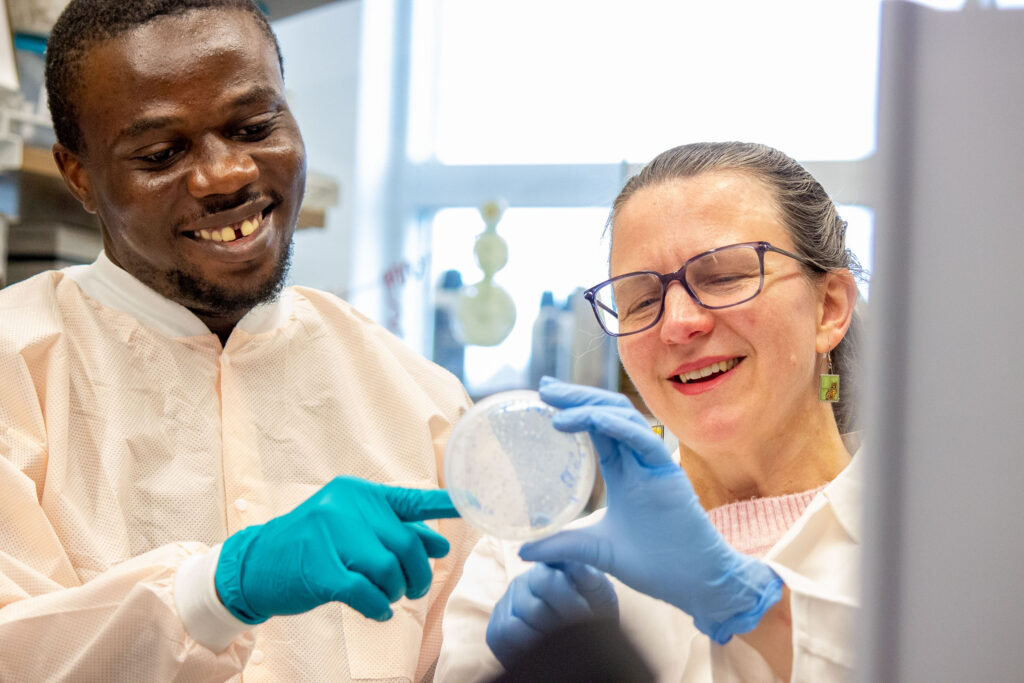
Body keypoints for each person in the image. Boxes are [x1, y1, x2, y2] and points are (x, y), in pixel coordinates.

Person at [0, 1, 478, 680]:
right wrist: (217, 589)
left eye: (255, 127)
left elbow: (473, 653)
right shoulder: (14, 372)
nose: (225, 175)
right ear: (78, 175)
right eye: (162, 153)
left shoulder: (417, 399)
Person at [437, 141, 863, 682]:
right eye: (640, 300)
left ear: (829, 308)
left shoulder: (948, 547)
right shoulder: (526, 569)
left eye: (723, 277)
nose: (677, 323)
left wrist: (747, 606)